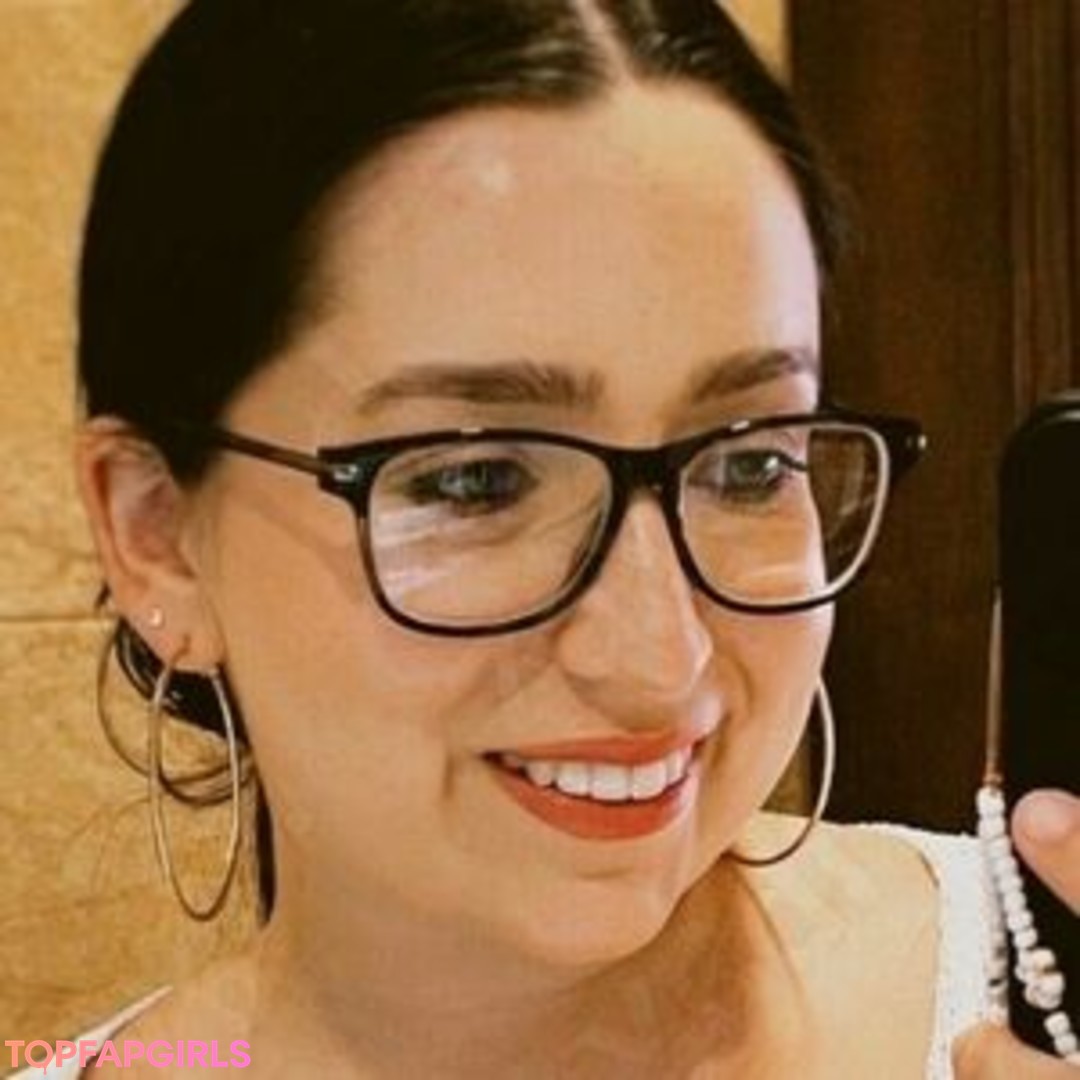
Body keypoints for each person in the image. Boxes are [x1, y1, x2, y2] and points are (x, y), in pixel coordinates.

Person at [34, 0, 1079, 1076]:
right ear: (158, 534)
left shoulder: (1036, 991)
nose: (659, 659)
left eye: (750, 463)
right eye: (477, 481)